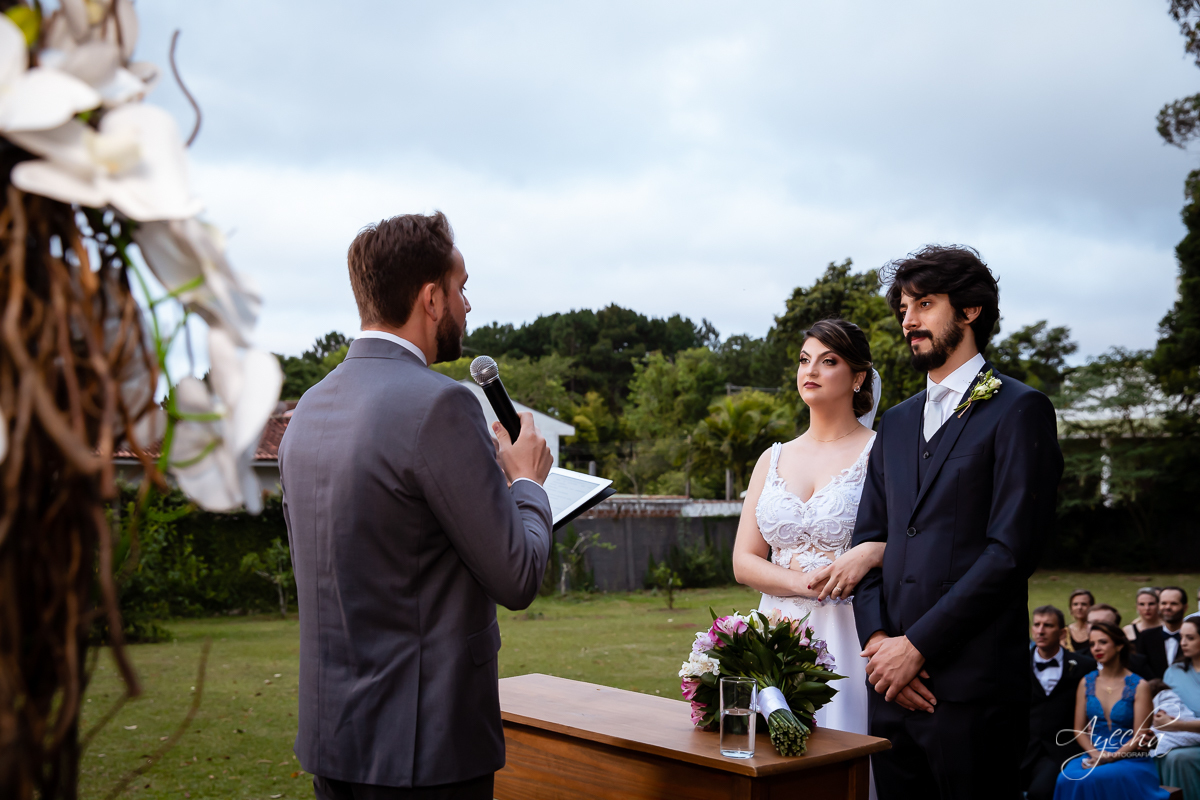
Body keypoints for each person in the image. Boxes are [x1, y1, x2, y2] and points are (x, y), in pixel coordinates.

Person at [279, 213, 555, 800]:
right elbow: (517, 577)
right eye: (461, 289)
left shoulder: (308, 408)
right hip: (425, 750)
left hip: (335, 740)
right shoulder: (442, 406)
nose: (467, 306)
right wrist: (527, 483)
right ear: (431, 299)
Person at [849, 245, 1064, 799]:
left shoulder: (1020, 410)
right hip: (890, 688)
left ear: (970, 310)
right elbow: (868, 542)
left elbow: (1010, 553)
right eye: (903, 309)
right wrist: (880, 644)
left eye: (924, 304)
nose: (908, 321)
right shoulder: (895, 424)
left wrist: (917, 647)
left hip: (974, 691)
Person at [733, 318, 883, 799]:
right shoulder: (772, 458)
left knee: (838, 763)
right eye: (804, 360)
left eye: (828, 360)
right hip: (776, 629)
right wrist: (801, 584)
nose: (810, 371)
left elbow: (913, 539)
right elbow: (743, 560)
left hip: (849, 631)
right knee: (770, 766)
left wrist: (870, 553)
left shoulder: (881, 452)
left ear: (858, 377)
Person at [1053, 622, 1165, 799]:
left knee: (1096, 777)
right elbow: (1079, 730)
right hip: (1094, 753)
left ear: (1119, 645)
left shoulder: (1140, 686)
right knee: (1065, 777)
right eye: (1092, 644)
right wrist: (1095, 754)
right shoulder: (1086, 682)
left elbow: (1140, 735)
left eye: (1103, 642)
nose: (1096, 648)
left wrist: (1111, 757)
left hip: (1129, 757)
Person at [1024, 605, 1096, 800]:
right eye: (1037, 625)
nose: (1040, 631)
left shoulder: (1084, 666)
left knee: (1040, 793)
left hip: (1061, 749)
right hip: (1021, 748)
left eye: (1048, 625)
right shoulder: (1016, 664)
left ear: (1062, 633)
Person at [1156, 617, 1200, 797]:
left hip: (1186, 739)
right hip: (1177, 738)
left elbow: (1172, 723)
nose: (1183, 643)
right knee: (1154, 753)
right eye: (1182, 637)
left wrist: (1176, 724)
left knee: (1178, 758)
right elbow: (1163, 703)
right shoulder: (1174, 671)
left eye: (1190, 638)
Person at [1088, 605, 1154, 681]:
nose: (1097, 629)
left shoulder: (1137, 663)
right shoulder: (1081, 662)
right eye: (1092, 623)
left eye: (1104, 624)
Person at [1137, 587, 1189, 680]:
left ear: (1185, 607)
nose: (1167, 607)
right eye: (1163, 603)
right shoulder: (1146, 637)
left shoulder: (1194, 637)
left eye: (1173, 603)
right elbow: (1140, 668)